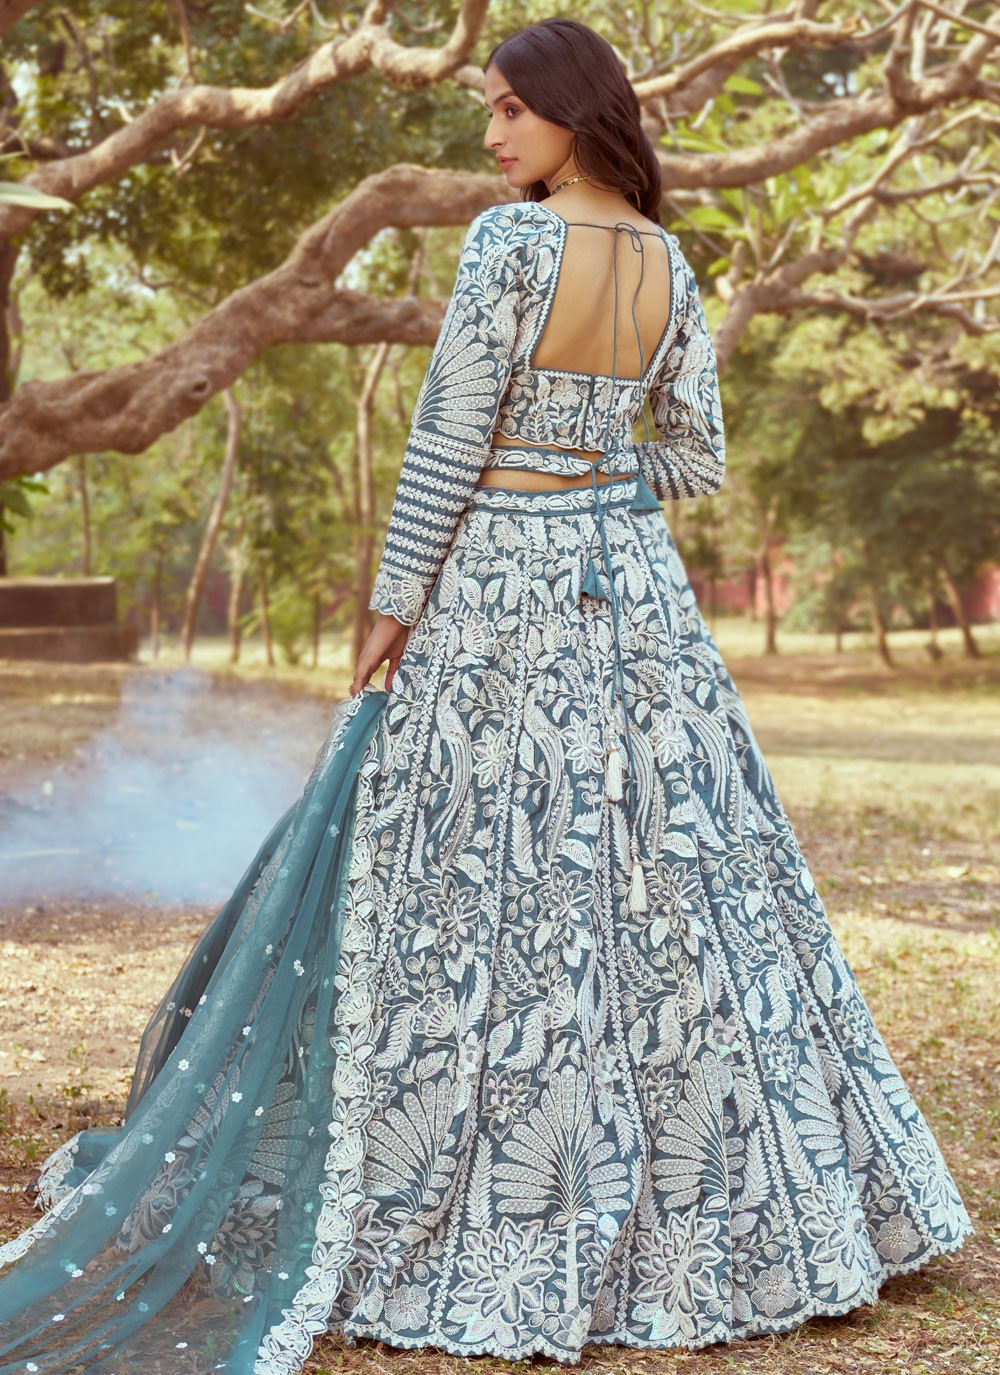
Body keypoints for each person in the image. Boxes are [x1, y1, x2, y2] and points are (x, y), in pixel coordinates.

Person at [0, 16, 972, 1373]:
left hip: (502, 588)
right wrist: (599, 476)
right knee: (667, 881)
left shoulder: (511, 246)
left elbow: (449, 438)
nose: (492, 131)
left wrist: (394, 600)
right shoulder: (667, 261)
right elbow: (696, 457)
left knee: (478, 878)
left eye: (511, 108)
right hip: (632, 598)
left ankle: (461, 1193)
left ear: (575, 110)